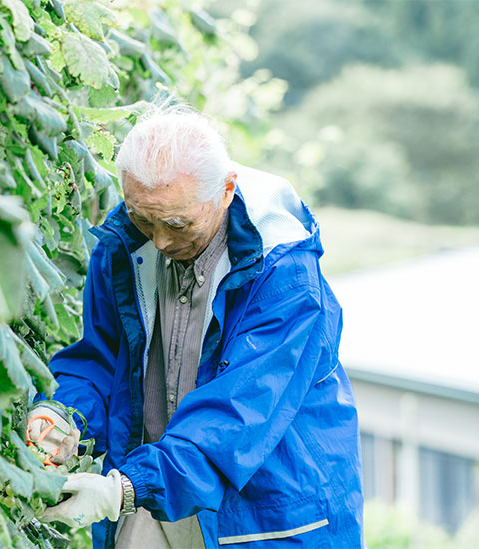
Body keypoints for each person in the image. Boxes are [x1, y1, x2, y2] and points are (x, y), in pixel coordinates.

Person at [27, 103, 364, 548]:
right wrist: (64, 416)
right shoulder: (125, 246)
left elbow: (238, 413)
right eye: (143, 218)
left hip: (265, 510)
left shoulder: (283, 272)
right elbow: (102, 359)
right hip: (153, 490)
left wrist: (125, 489)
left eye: (176, 223)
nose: (161, 241)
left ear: (225, 191)